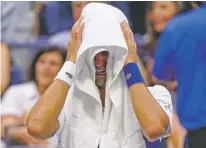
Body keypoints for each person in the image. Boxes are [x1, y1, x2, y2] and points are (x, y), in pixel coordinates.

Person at [26, 6, 172, 148]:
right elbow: (37, 127)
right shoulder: (65, 101)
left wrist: (130, 63)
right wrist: (70, 61)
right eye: (93, 54)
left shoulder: (156, 94)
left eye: (107, 54)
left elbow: (155, 128)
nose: (100, 62)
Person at [152, 2, 206, 148]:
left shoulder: (178, 27)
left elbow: (159, 76)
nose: (156, 13)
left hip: (197, 126)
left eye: (164, 7)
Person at [1, 45, 66, 147]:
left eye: (53, 64)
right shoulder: (16, 91)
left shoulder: (69, 98)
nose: (46, 67)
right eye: (41, 62)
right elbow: (7, 128)